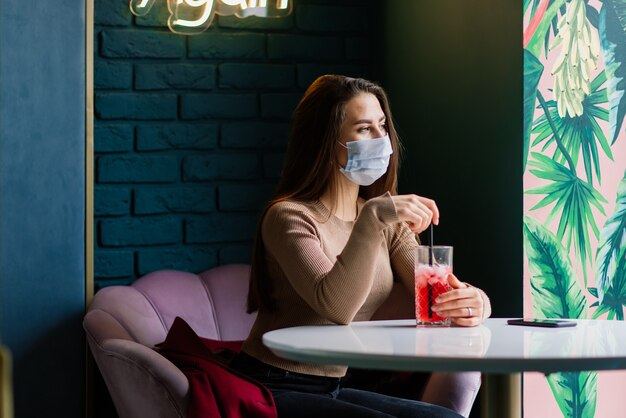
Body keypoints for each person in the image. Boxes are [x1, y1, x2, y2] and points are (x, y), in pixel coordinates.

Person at [230, 74, 492, 418]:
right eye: (364, 129)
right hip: (271, 385)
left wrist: (476, 303)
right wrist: (372, 218)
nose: (382, 140)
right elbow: (336, 307)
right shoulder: (289, 216)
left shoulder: (382, 219)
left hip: (333, 385)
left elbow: (438, 295)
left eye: (382, 126)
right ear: (326, 140)